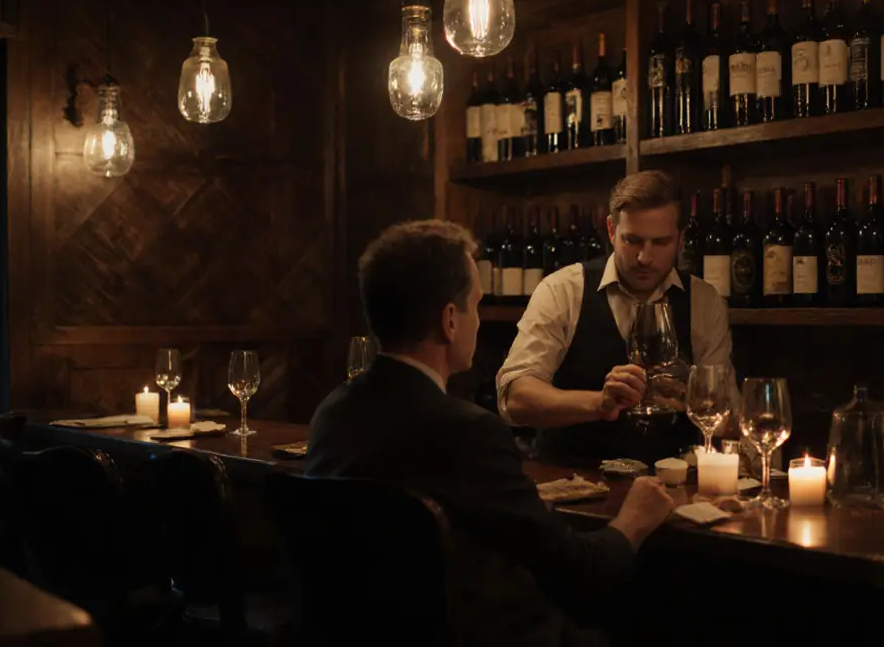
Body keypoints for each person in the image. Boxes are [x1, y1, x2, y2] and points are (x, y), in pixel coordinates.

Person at [306, 220, 673, 645]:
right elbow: (580, 570)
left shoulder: (331, 414)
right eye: (475, 305)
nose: (477, 320)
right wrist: (633, 519)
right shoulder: (468, 433)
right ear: (449, 320)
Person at [497, 171, 736, 466]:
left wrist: (687, 396)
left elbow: (727, 415)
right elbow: (516, 399)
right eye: (632, 240)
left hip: (675, 488)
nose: (645, 257)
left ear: (682, 237)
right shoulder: (563, 290)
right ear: (611, 230)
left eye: (660, 242)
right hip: (574, 484)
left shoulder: (704, 300)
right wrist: (601, 403)